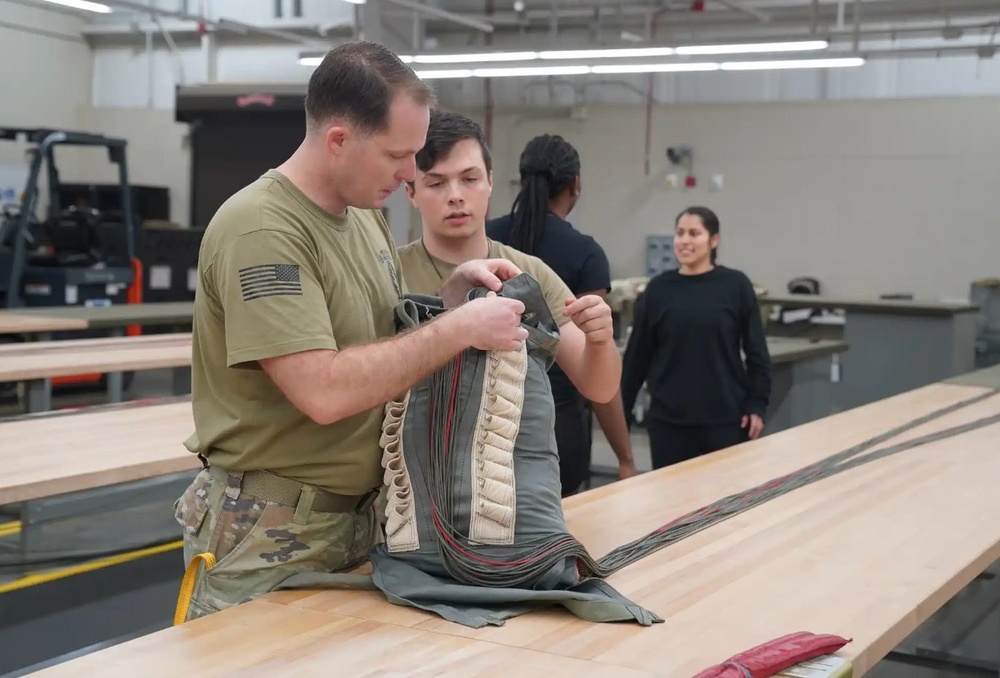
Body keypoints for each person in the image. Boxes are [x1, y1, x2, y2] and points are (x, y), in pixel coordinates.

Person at [173, 42, 532, 621]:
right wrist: (460, 330)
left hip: (359, 523)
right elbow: (325, 390)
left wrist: (447, 300)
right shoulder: (262, 230)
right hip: (270, 538)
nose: (410, 173)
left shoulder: (363, 216)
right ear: (339, 139)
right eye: (398, 154)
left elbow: (372, 338)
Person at [396, 110, 633, 490]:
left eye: (469, 179)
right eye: (436, 183)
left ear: (490, 182)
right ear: (411, 192)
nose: (456, 195)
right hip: (411, 486)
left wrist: (602, 341)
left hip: (512, 486)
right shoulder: (387, 274)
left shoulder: (530, 272)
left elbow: (599, 387)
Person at [486, 133, 635, 495]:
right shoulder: (584, 254)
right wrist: (625, 457)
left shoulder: (485, 240)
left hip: (485, 426)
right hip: (555, 428)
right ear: (576, 186)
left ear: (519, 181)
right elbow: (596, 362)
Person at [621, 206, 772, 470]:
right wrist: (621, 417)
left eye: (694, 233)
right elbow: (637, 359)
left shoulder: (735, 286)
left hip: (725, 420)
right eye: (680, 233)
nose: (684, 241)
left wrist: (757, 404)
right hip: (670, 424)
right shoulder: (658, 290)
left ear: (714, 240)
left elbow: (757, 352)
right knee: (673, 504)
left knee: (726, 502)